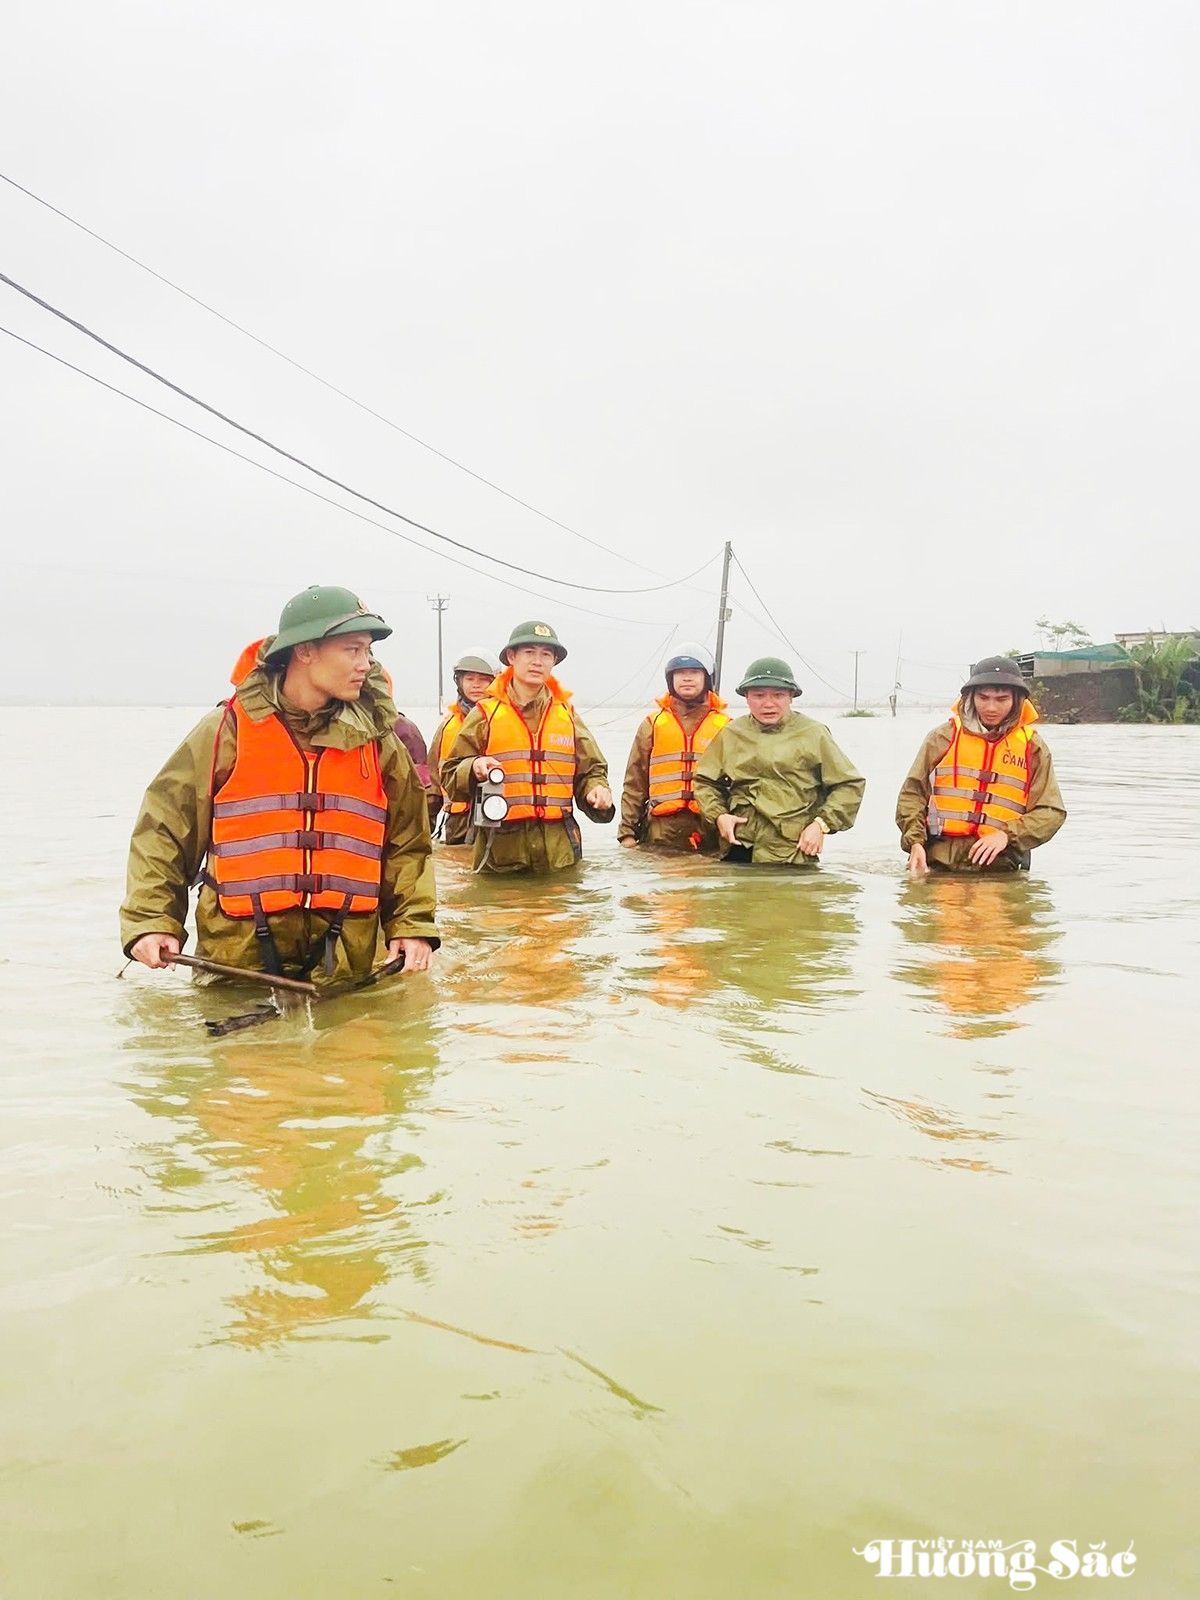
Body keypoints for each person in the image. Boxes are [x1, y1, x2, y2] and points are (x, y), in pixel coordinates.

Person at [121, 585, 439, 982]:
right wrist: (152, 920)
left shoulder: (381, 742)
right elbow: (164, 830)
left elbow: (408, 843)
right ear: (304, 651)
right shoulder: (225, 731)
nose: (366, 665)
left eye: (368, 652)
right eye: (353, 650)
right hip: (236, 962)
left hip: (350, 965)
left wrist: (412, 925)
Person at [439, 620, 614, 873]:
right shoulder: (485, 714)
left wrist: (597, 790)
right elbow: (449, 774)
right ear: (512, 656)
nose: (537, 661)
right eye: (529, 652)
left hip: (560, 855)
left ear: (554, 662)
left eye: (546, 654)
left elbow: (592, 771)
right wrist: (474, 767)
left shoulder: (568, 715)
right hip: (500, 855)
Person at [896, 655, 1066, 875]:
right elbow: (912, 794)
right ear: (970, 697)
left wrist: (1007, 834)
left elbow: (1051, 812)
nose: (991, 707)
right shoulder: (942, 737)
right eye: (983, 698)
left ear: (1017, 700)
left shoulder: (1033, 748)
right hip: (937, 866)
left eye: (1002, 699)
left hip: (1001, 870)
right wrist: (915, 842)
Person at [693, 656, 865, 865]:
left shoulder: (813, 734)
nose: (768, 704)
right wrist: (719, 815)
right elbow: (705, 781)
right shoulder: (731, 734)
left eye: (778, 695)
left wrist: (821, 825)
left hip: (793, 851)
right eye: (758, 695)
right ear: (746, 697)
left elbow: (849, 785)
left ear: (791, 696)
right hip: (739, 847)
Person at [618, 642, 730, 852]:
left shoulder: (727, 727)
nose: (687, 678)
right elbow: (634, 784)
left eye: (694, 672)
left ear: (708, 677)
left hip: (711, 831)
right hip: (661, 833)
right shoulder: (652, 725)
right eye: (680, 673)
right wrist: (627, 833)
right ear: (670, 679)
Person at [429, 650, 499, 844]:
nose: (476, 685)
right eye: (469, 678)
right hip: (458, 824)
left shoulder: (505, 720)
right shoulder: (447, 726)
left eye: (484, 679)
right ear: (459, 682)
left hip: (499, 821)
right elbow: (432, 786)